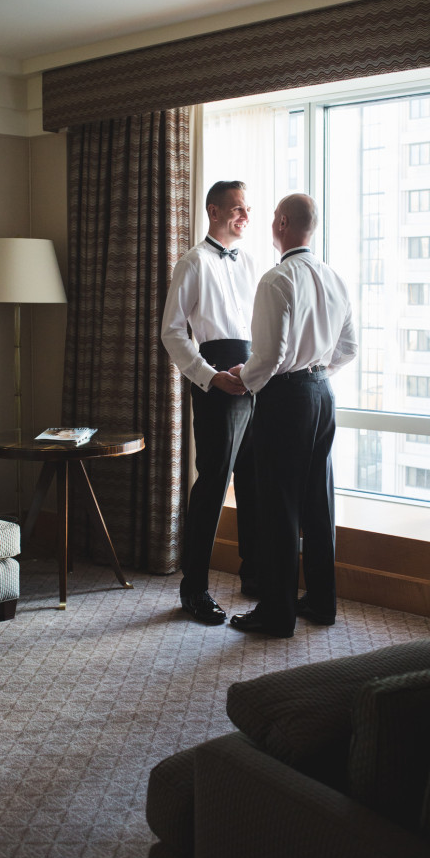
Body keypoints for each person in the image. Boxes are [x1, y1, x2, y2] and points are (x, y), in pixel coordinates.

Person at [228, 193, 357, 638]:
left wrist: (241, 376)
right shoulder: (334, 277)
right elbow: (349, 348)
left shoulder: (276, 280)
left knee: (277, 507)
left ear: (281, 223)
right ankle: (321, 602)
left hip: (287, 401)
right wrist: (317, 373)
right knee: (318, 504)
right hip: (323, 396)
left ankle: (277, 614)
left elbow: (269, 356)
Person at [162, 180, 261, 625]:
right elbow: (172, 332)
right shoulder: (192, 263)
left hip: (255, 375)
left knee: (255, 480)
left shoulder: (251, 262)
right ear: (214, 210)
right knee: (213, 485)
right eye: (238, 209)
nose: (245, 217)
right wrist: (208, 376)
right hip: (216, 376)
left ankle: (254, 574)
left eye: (248, 210)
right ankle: (194, 588)